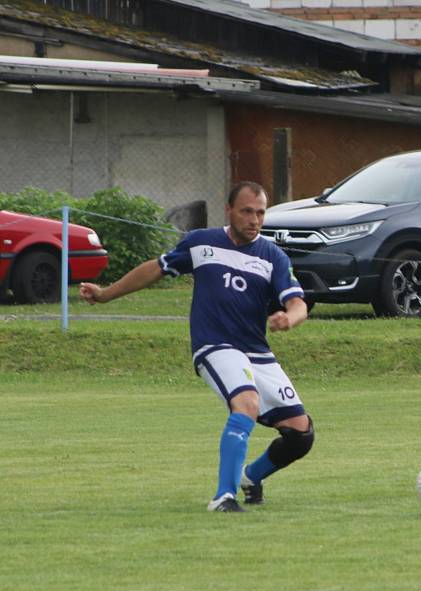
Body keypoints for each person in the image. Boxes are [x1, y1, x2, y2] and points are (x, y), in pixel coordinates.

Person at [79, 181, 314, 512]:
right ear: (229, 210)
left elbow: (298, 302)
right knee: (245, 403)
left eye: (260, 213)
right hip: (215, 345)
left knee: (301, 433)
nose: (254, 220)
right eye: (247, 211)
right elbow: (154, 270)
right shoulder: (202, 242)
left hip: (256, 352)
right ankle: (224, 496)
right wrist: (105, 294)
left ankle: (251, 476)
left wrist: (290, 318)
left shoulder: (272, 255)